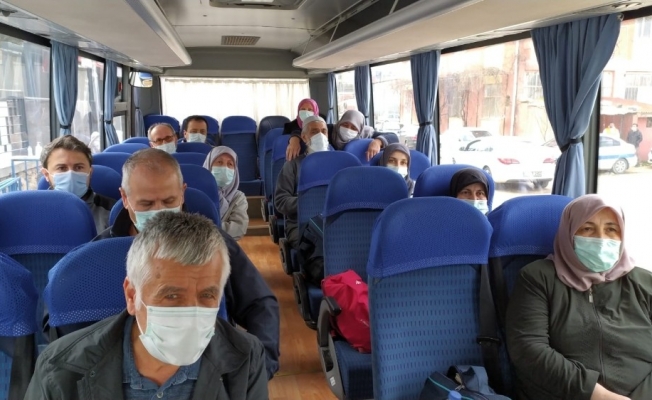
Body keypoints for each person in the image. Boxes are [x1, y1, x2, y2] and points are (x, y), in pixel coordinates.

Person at [25, 212, 268, 399]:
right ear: (132, 296)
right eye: (171, 296)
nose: (191, 313)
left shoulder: (245, 357)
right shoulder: (59, 370)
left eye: (207, 295)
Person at [94, 148, 280, 379]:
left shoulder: (214, 245)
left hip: (208, 371)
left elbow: (260, 305)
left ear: (182, 194)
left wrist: (259, 369)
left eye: (169, 201)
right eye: (146, 204)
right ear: (125, 198)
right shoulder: (97, 256)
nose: (160, 213)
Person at [506, 194, 652, 400]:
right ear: (569, 233)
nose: (601, 239)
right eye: (587, 229)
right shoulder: (538, 277)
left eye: (611, 229)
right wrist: (599, 396)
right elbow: (528, 349)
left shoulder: (644, 282)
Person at [40, 135, 116, 233]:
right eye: (62, 168)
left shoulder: (112, 212)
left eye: (79, 167)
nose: (71, 174)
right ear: (46, 174)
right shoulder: (34, 213)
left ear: (90, 172)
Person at [275, 115, 330, 249]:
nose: (320, 136)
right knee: (320, 247)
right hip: (300, 224)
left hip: (332, 222)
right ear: (304, 137)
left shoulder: (341, 163)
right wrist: (309, 202)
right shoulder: (293, 165)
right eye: (314, 132)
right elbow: (281, 201)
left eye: (323, 131)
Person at [286, 109, 398, 162]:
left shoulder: (366, 134)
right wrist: (295, 139)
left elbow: (393, 136)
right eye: (345, 124)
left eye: (354, 128)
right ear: (339, 123)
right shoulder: (329, 130)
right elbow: (306, 129)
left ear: (359, 130)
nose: (348, 129)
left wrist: (377, 141)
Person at [203, 146, 249, 241]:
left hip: (226, 246)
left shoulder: (238, 197)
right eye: (219, 162)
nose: (224, 168)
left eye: (230, 164)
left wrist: (203, 231)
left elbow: (238, 228)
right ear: (209, 165)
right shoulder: (196, 193)